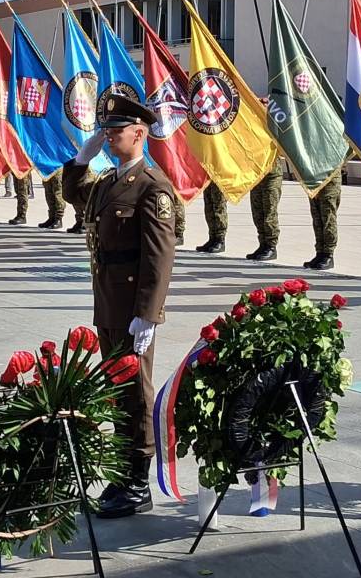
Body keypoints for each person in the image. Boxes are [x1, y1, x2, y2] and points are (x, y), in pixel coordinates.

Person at [62, 95, 176, 520]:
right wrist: (80, 158)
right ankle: (122, 469)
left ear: (140, 133)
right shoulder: (110, 180)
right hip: (107, 300)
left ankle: (138, 481)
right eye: (105, 130)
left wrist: (148, 313)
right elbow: (75, 194)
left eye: (116, 131)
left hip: (131, 305)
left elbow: (159, 256)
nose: (108, 136)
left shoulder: (152, 185)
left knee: (135, 392)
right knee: (115, 389)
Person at [304, 171, 342, 271]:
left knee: (328, 219)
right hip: (314, 178)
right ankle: (320, 253)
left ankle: (328, 255)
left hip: (330, 178)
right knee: (317, 219)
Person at [247, 158, 283, 261]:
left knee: (269, 213)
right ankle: (263, 244)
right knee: (257, 213)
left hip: (271, 175)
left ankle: (271, 247)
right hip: (256, 174)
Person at [195, 183, 227, 253]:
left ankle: (220, 240)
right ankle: (212, 238)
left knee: (219, 208)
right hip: (209, 178)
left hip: (219, 179)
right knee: (209, 208)